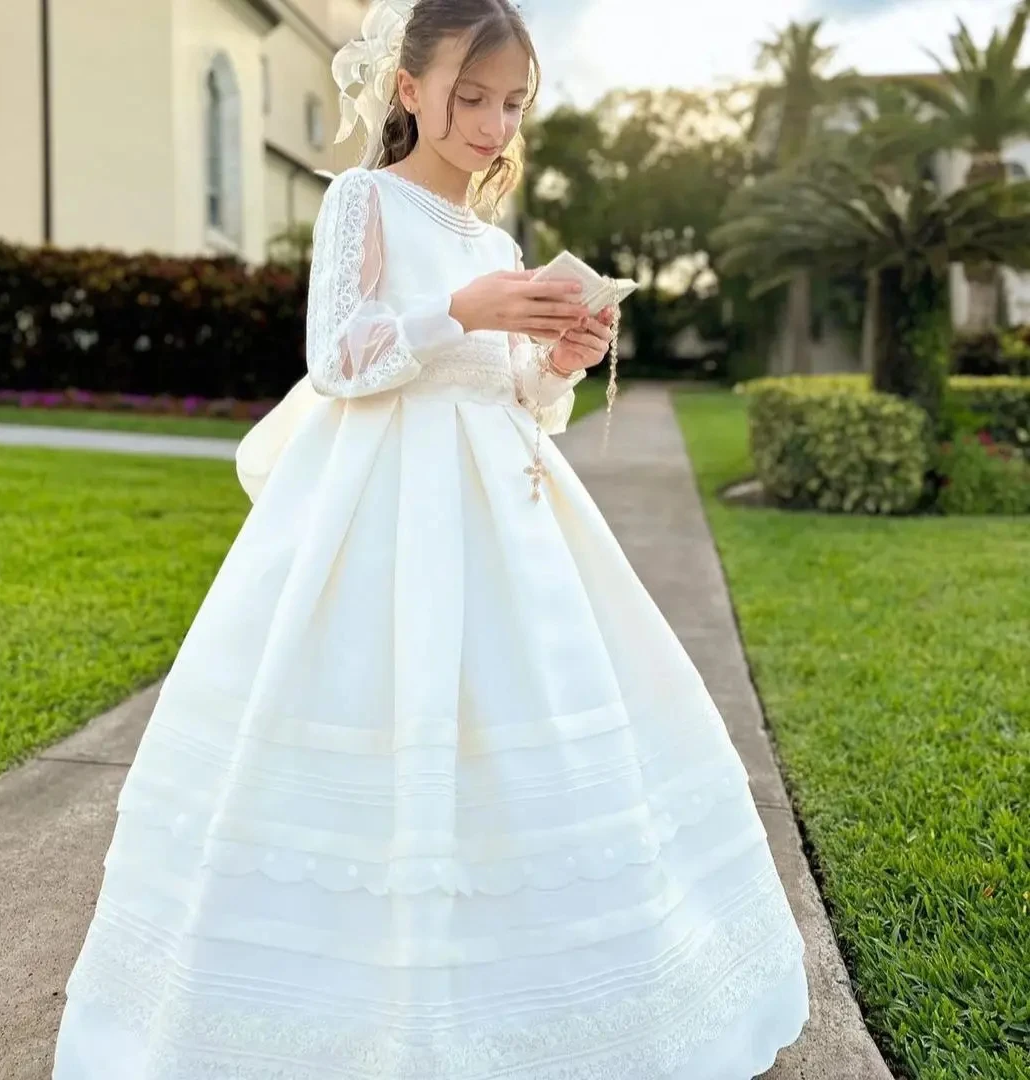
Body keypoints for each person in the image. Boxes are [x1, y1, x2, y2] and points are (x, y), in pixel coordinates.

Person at [51, 1, 809, 1076]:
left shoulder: (495, 237)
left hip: (502, 502)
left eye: (513, 104)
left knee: (517, 720)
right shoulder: (363, 201)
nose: (493, 125)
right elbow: (341, 361)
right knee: (371, 726)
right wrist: (464, 308)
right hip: (377, 511)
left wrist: (563, 350)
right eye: (471, 96)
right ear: (409, 89)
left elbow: (520, 400)